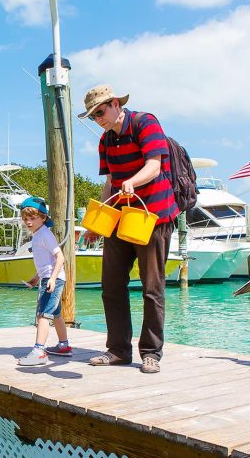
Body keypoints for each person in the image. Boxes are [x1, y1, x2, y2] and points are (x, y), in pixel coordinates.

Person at [79, 84, 178, 374]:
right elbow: (110, 182)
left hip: (154, 217)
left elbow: (154, 166)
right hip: (121, 218)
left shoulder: (146, 123)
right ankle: (118, 350)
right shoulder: (105, 141)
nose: (98, 118)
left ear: (115, 104)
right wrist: (98, 221)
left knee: (152, 288)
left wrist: (134, 181)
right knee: (111, 286)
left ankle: (151, 353)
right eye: (93, 115)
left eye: (100, 111)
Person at [16, 197, 72, 366]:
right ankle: (63, 346)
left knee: (42, 315)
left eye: (32, 218)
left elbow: (59, 257)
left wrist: (52, 279)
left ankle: (39, 351)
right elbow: (46, 263)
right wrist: (35, 278)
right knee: (55, 314)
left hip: (52, 279)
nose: (28, 222)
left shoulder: (45, 235)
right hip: (48, 277)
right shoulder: (37, 235)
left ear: (43, 218)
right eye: (26, 219)